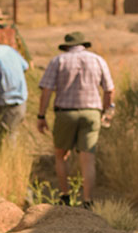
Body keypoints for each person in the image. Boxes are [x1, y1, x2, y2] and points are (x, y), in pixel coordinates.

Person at [36, 31, 115, 209]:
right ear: (84, 45)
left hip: (65, 113)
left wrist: (41, 116)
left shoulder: (58, 61)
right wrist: (107, 112)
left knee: (61, 156)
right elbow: (109, 90)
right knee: (88, 159)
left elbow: (46, 90)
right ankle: (88, 201)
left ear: (67, 46)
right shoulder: (98, 60)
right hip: (92, 113)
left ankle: (65, 197)